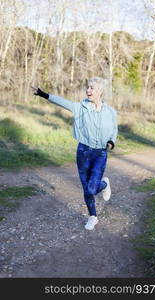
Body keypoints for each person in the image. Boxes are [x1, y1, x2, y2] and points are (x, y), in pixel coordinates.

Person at [31, 77, 118, 230]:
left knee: (92, 188)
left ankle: (104, 184)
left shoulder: (110, 111)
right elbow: (61, 101)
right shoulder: (80, 107)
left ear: (100, 91)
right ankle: (93, 216)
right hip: (83, 152)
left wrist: (111, 141)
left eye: (92, 88)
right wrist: (44, 94)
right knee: (86, 189)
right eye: (88, 87)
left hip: (100, 154)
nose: (88, 90)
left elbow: (114, 129)